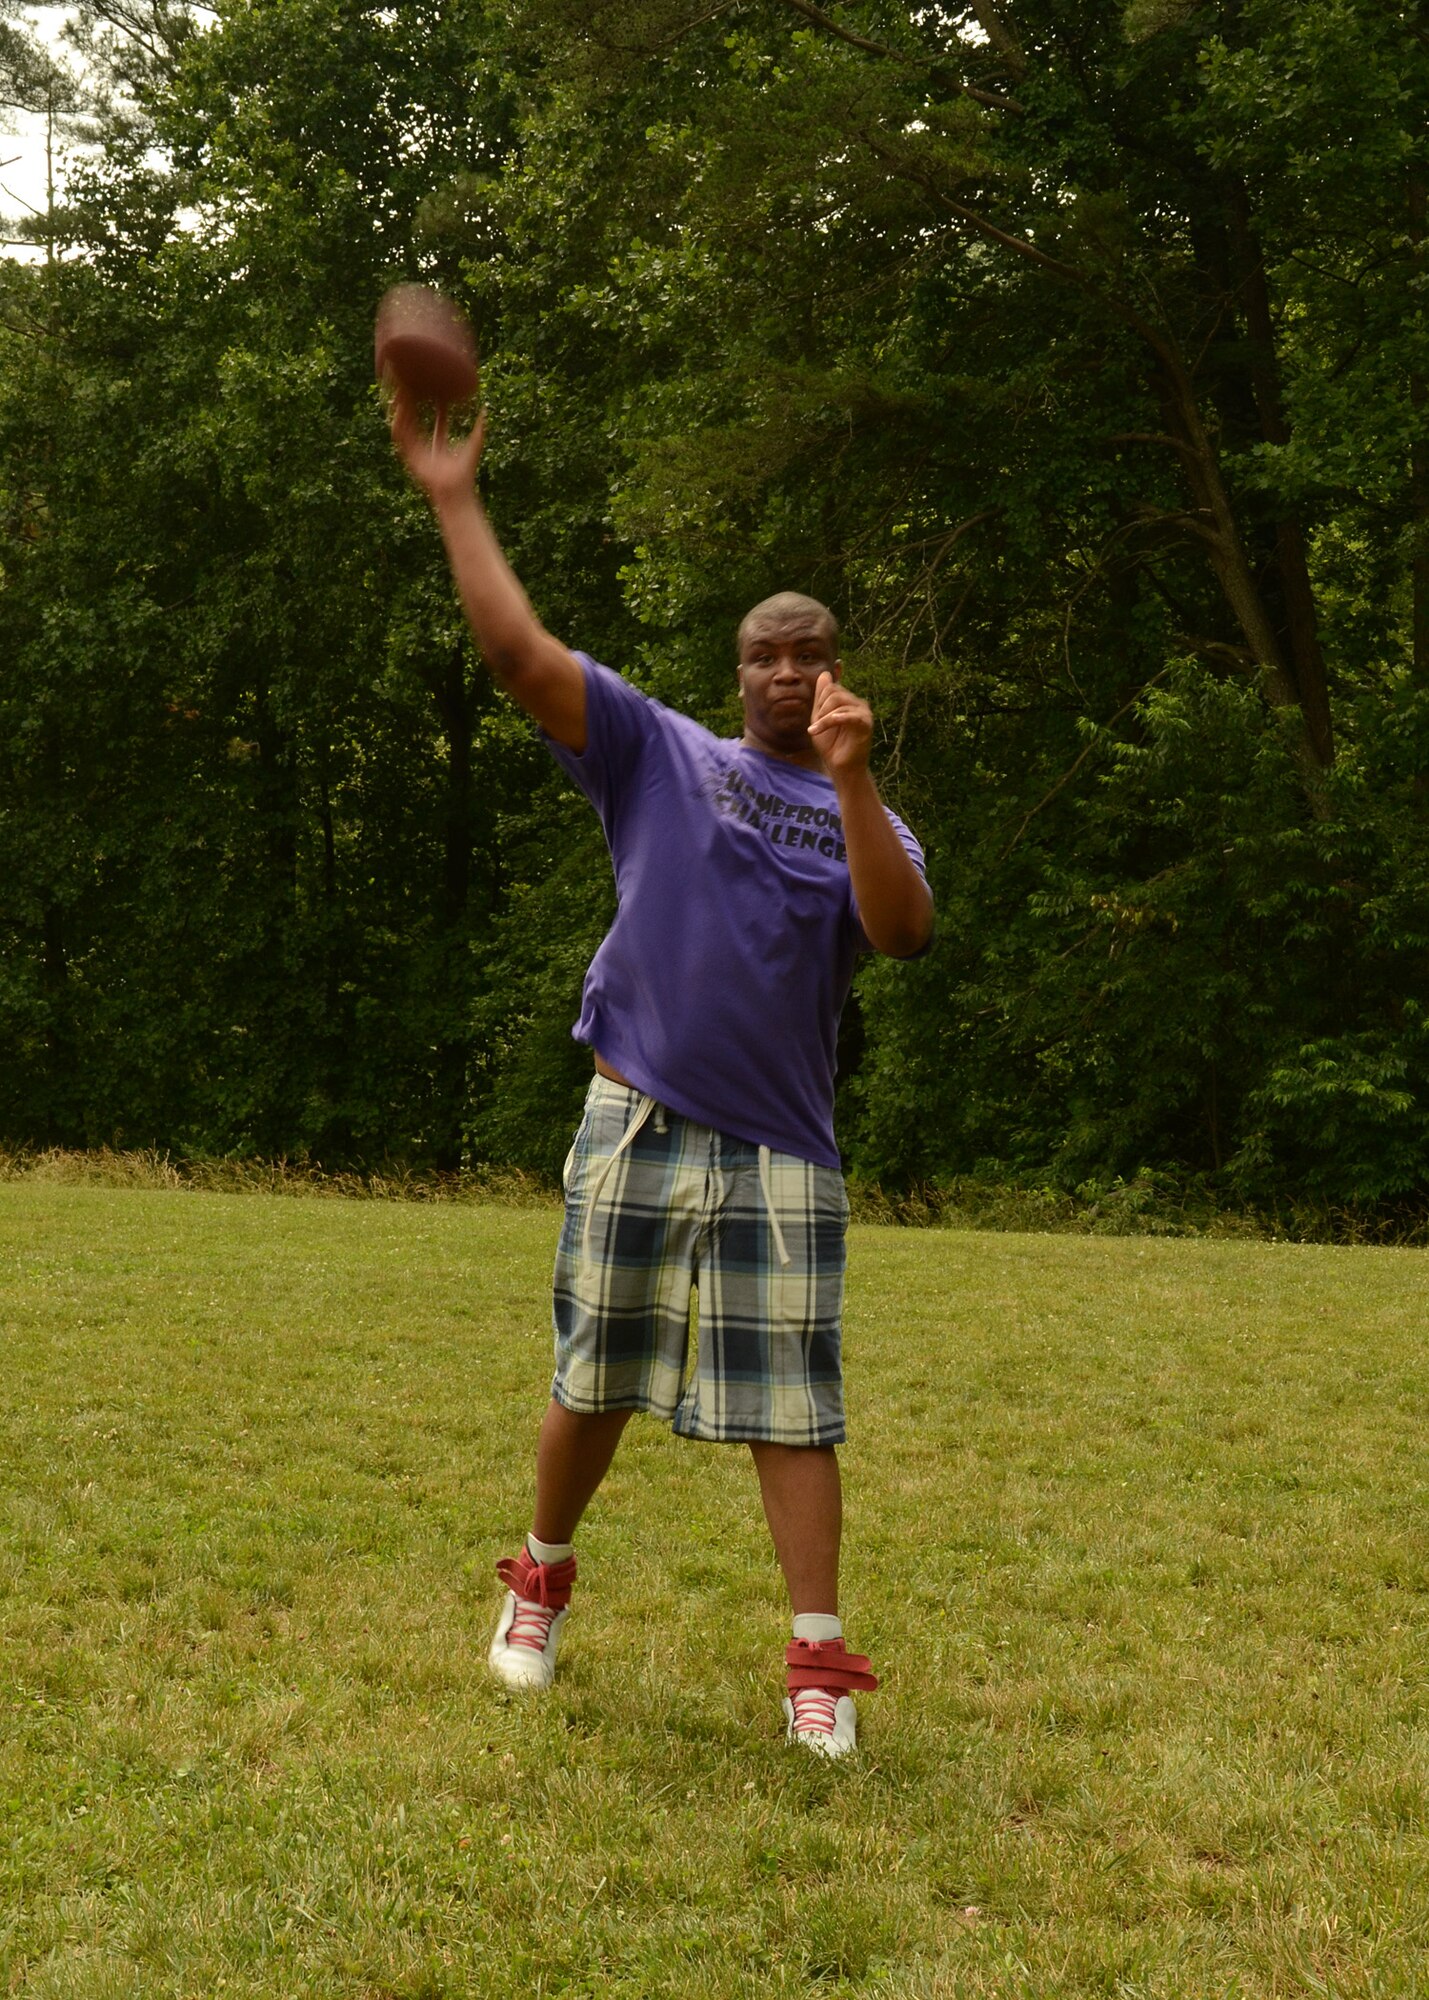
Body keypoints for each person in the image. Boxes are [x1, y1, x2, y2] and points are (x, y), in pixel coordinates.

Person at [390, 389, 934, 1757]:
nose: (784, 676)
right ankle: (538, 1584)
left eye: (807, 658)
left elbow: (900, 933)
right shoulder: (659, 755)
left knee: (792, 1406)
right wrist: (454, 494)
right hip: (638, 1108)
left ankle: (814, 1665)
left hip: (782, 1144)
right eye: (763, 655)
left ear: (835, 675)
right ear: (734, 668)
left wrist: (854, 783)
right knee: (592, 1377)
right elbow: (516, 652)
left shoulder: (865, 812)